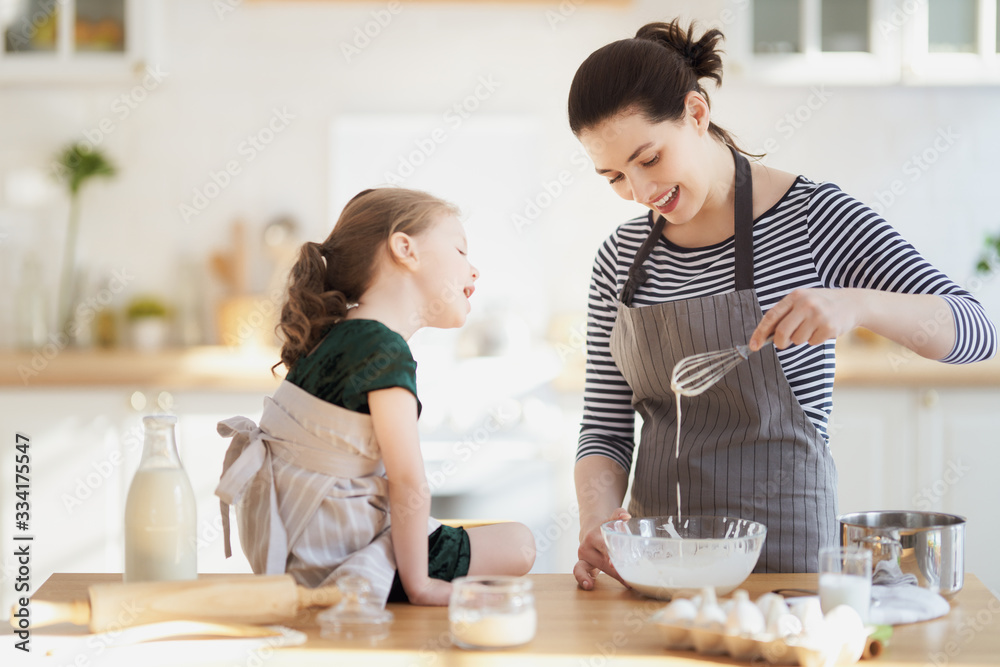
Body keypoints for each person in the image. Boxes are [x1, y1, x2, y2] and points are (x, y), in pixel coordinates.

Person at [568, 20, 997, 588]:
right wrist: (600, 524)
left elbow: (976, 330)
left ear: (696, 114)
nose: (641, 192)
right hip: (658, 570)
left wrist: (858, 304)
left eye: (648, 159)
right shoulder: (619, 259)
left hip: (788, 566)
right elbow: (604, 425)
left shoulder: (814, 219)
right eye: (614, 177)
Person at [215, 187, 535, 606]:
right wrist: (421, 584)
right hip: (339, 558)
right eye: (460, 251)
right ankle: (387, 577)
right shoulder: (382, 348)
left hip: (299, 548)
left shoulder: (339, 335)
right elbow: (408, 483)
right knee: (521, 542)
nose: (474, 270)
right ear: (405, 248)